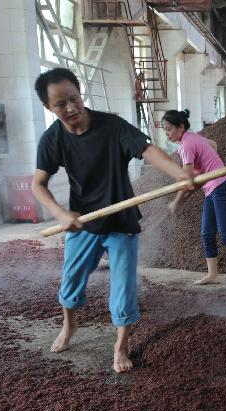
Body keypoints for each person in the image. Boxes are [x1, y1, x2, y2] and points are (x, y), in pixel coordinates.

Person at [31, 68, 194, 373]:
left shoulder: (112, 126)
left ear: (81, 94)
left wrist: (179, 174)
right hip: (85, 222)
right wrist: (61, 213)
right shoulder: (52, 139)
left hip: (121, 221)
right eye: (60, 104)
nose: (70, 108)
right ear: (48, 108)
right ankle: (69, 325)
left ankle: (120, 347)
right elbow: (37, 184)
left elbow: (147, 150)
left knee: (123, 290)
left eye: (74, 98)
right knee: (70, 285)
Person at [163, 109, 226, 295]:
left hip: (222, 187)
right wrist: (206, 170)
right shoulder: (193, 137)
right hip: (212, 189)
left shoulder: (186, 146)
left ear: (180, 127)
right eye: (165, 130)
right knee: (207, 233)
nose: (166, 134)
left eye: (168, 129)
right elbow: (213, 145)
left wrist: (176, 202)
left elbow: (186, 180)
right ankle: (213, 274)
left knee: (225, 234)